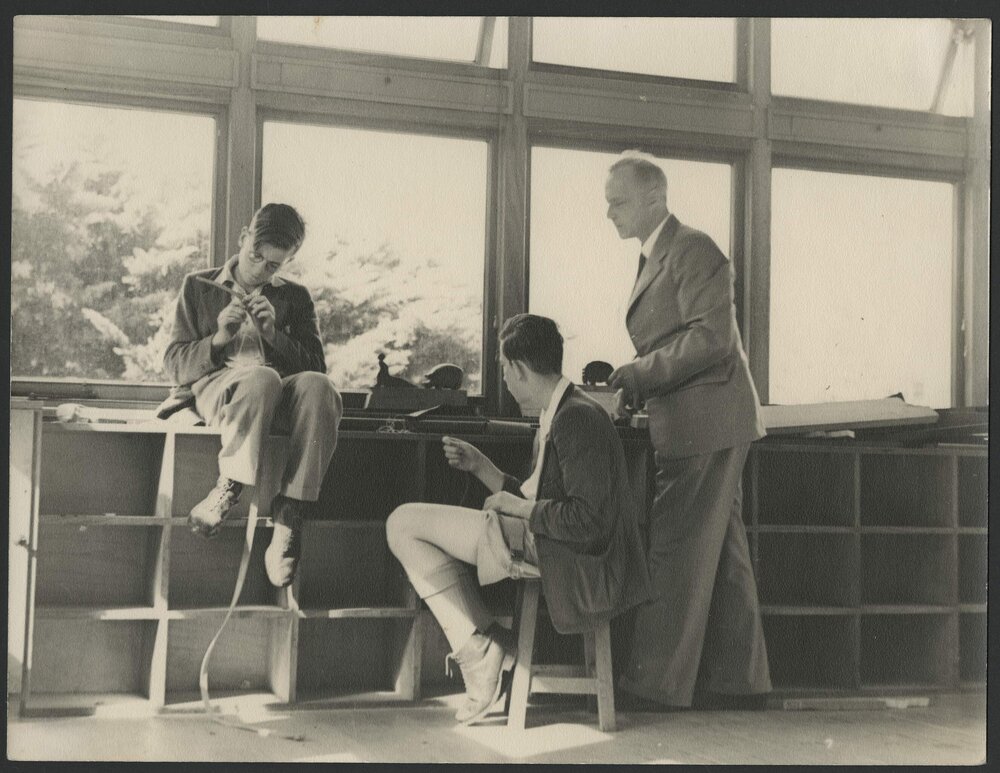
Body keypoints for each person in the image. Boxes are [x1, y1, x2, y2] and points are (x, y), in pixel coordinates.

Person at [386, 314, 650, 725]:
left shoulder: (576, 418)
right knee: (405, 524)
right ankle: (482, 645)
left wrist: (519, 509)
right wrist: (480, 466)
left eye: (506, 370)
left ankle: (479, 649)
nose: (506, 380)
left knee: (403, 524)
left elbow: (588, 520)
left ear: (521, 369)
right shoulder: (560, 410)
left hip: (575, 558)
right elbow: (538, 497)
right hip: (551, 541)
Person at [604, 151, 771, 709]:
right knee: (721, 552)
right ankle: (740, 684)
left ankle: (655, 686)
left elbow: (711, 339)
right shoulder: (662, 253)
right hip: (706, 419)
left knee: (676, 547)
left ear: (655, 197)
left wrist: (637, 375)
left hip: (706, 421)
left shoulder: (693, 249)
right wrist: (640, 382)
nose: (609, 213)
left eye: (619, 202)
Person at [163, 203, 342, 588]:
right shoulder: (198, 286)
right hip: (221, 391)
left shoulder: (295, 297)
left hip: (275, 397)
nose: (260, 269)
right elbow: (174, 365)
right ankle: (229, 486)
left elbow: (316, 367)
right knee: (261, 377)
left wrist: (274, 335)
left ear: (288, 260)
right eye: (255, 256)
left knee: (319, 387)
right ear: (244, 238)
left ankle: (291, 511)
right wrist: (218, 339)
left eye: (273, 265)